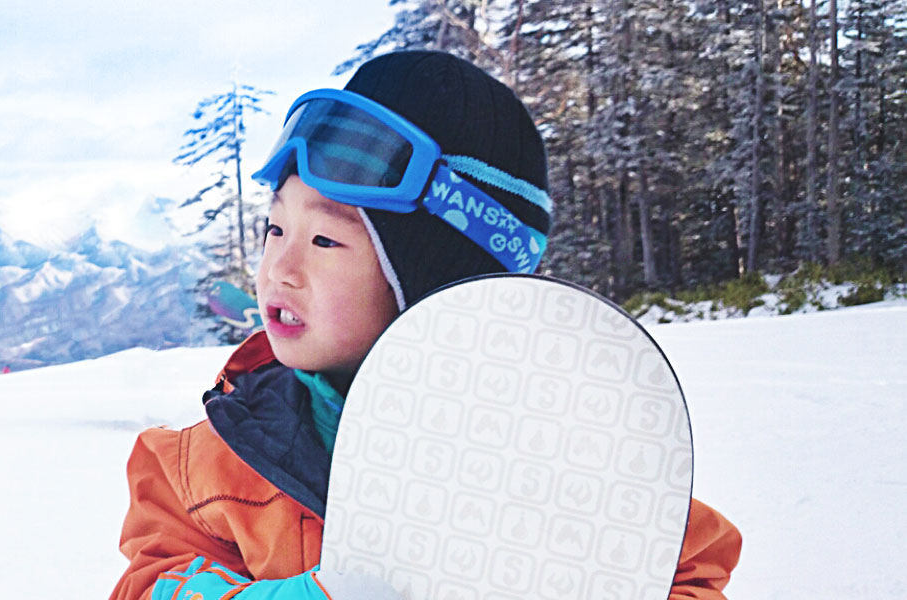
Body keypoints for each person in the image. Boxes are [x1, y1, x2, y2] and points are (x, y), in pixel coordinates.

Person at [109, 51, 743, 600]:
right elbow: (151, 583)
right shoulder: (210, 467)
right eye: (276, 228)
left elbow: (681, 566)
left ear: (432, 280)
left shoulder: (564, 453)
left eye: (326, 240)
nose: (281, 267)